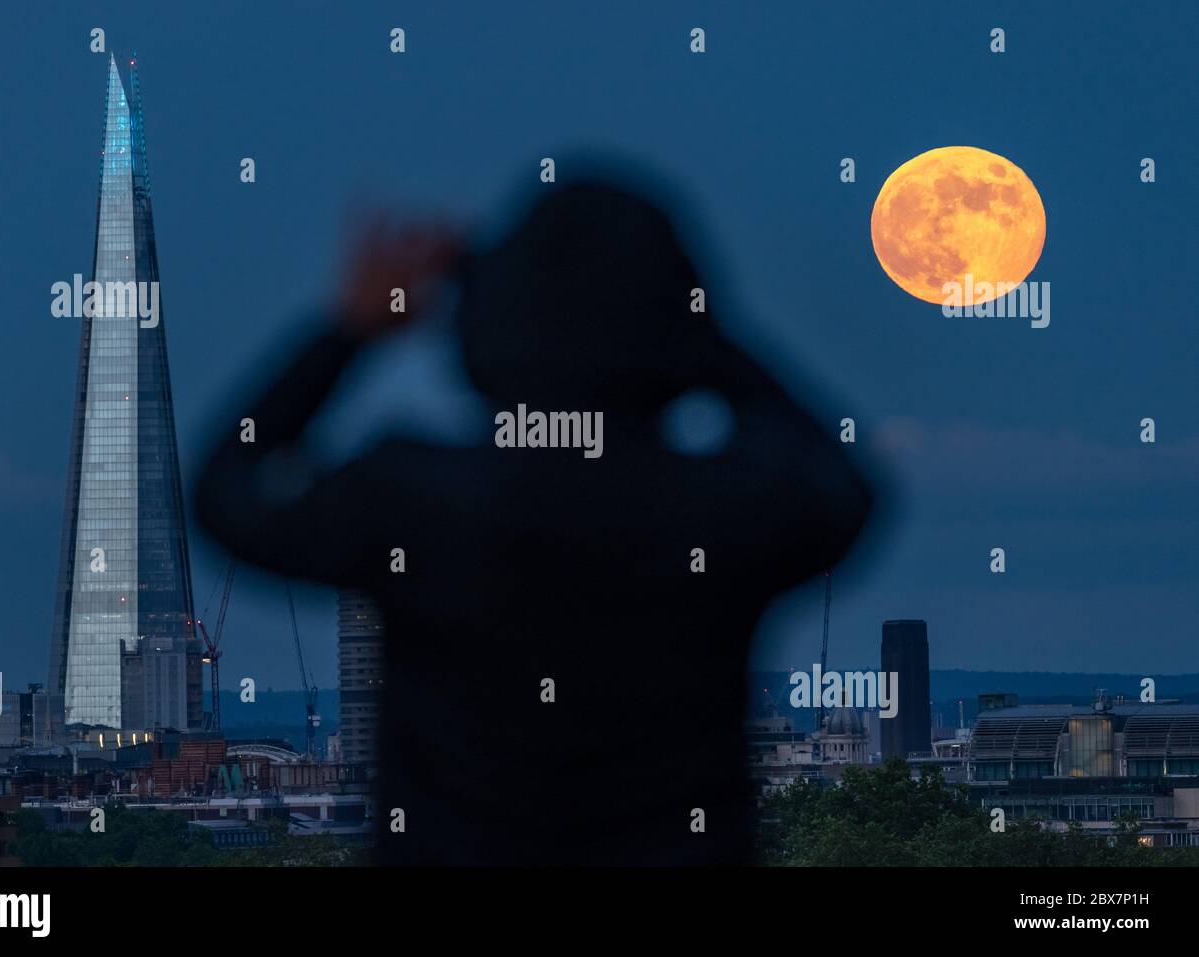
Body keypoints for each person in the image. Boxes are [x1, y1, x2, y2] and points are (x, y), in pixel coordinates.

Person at [193, 178, 874, 864]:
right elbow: (843, 486)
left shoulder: (412, 497)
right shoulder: (722, 510)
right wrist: (696, 334)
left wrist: (349, 331)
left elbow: (227, 492)